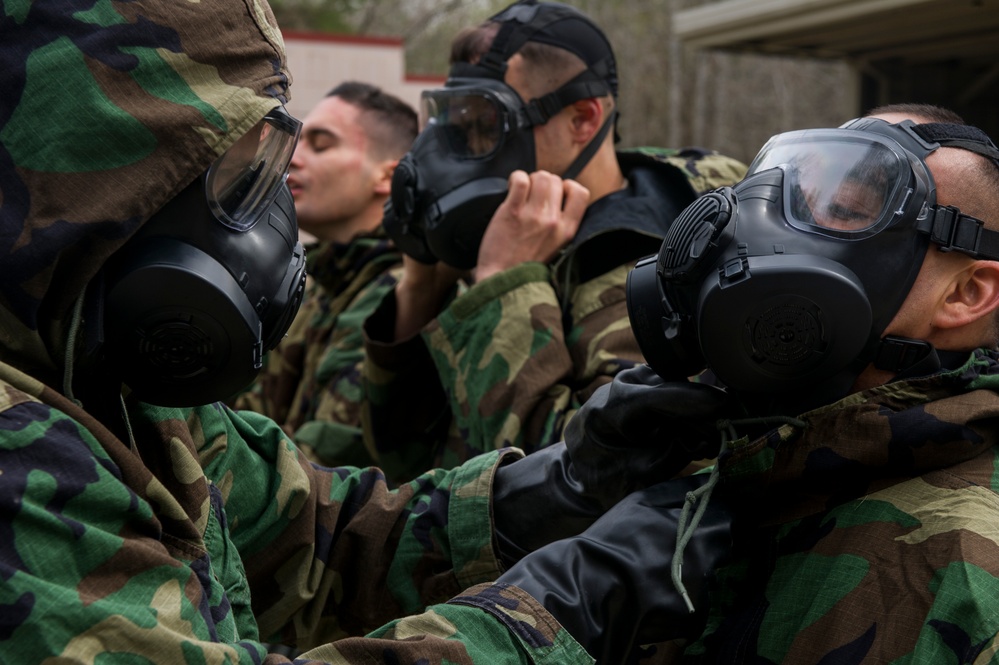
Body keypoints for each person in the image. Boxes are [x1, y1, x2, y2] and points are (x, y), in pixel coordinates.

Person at [0, 2, 734, 664]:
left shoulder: (116, 384)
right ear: (94, 183)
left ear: (585, 119)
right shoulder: (22, 457)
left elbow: (326, 532)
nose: (270, 202)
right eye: (226, 171)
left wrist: (554, 484)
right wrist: (561, 606)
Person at [587, 101, 999, 662]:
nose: (761, 229)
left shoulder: (969, 580)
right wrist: (564, 488)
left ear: (965, 295)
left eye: (845, 209)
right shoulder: (716, 453)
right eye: (794, 198)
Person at [362, 0, 747, 482]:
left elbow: (583, 486)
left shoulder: (670, 273)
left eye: (486, 125)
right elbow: (400, 461)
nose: (461, 153)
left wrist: (504, 286)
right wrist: (421, 286)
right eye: (456, 127)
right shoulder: (500, 234)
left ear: (583, 121)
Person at [232, 81, 415, 468]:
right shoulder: (317, 286)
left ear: (389, 177)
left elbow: (321, 466)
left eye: (322, 144)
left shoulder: (404, 293)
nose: (294, 157)